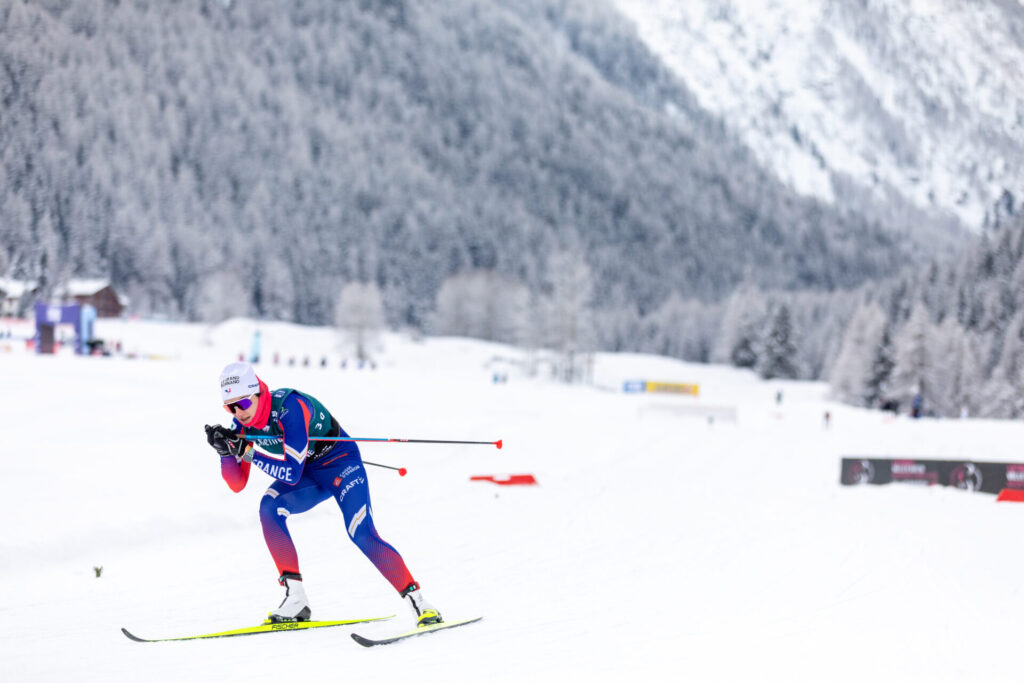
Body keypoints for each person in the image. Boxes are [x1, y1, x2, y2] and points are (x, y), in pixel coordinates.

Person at [205, 361, 441, 627]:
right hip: (309, 472)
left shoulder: (289, 408)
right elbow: (237, 484)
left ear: (258, 392)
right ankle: (296, 599)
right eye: (229, 406)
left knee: (360, 532)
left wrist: (247, 452)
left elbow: (291, 473)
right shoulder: (242, 424)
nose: (238, 412)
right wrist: (226, 453)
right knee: (269, 507)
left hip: (341, 465)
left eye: (244, 404)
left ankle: (420, 603)